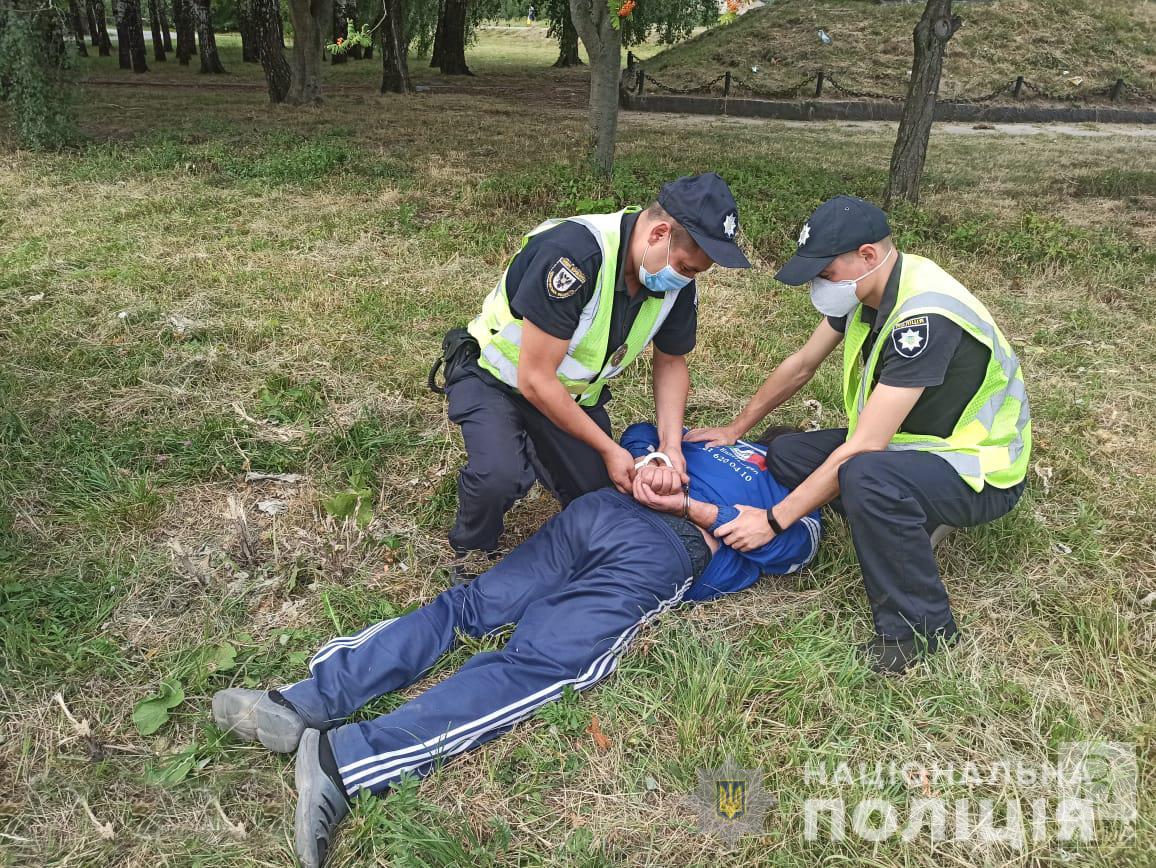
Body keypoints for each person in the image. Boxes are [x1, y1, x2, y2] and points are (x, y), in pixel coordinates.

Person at [211, 423, 820, 867]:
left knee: (468, 606)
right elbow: (778, 547)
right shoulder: (796, 505)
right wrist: (709, 508)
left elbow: (638, 441)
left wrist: (659, 461)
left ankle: (303, 701)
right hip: (660, 554)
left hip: (599, 512)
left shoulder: (708, 439)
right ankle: (347, 763)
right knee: (541, 665)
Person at [687, 195, 1031, 674]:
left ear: (868, 255)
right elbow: (802, 365)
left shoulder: (924, 320)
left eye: (825, 273)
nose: (819, 285)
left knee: (866, 475)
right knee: (786, 452)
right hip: (909, 446)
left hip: (975, 469)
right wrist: (737, 427)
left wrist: (773, 520)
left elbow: (864, 448)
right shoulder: (868, 290)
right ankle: (906, 519)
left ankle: (920, 631)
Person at [432, 173, 750, 577]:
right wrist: (608, 448)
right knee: (499, 475)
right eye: (686, 266)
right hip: (495, 379)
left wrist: (672, 445)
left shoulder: (677, 283)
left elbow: (671, 361)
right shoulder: (574, 256)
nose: (687, 278)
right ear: (660, 233)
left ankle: (537, 447)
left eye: (696, 273)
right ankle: (472, 547)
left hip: (569, 398)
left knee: (602, 494)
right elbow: (534, 378)